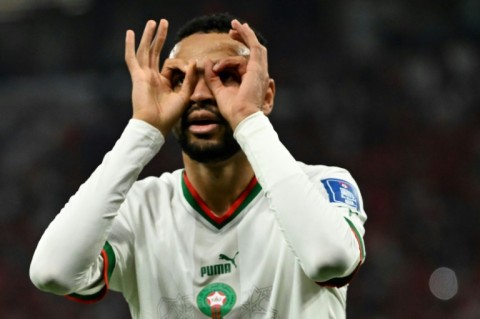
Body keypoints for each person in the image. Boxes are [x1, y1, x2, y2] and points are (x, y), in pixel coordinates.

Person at [30, 12, 367, 319]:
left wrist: (248, 120)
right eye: (181, 79)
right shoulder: (139, 208)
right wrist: (142, 130)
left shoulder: (322, 185)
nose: (201, 94)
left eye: (228, 75)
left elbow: (329, 261)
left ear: (266, 95)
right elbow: (53, 272)